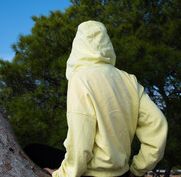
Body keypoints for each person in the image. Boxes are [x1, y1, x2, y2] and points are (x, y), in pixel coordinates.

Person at [44, 20, 168, 177]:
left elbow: (81, 140)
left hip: (90, 173)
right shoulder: (129, 80)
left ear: (78, 46)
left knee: (33, 151)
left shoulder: (80, 78)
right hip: (121, 173)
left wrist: (62, 174)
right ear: (107, 45)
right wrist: (137, 169)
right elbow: (157, 123)